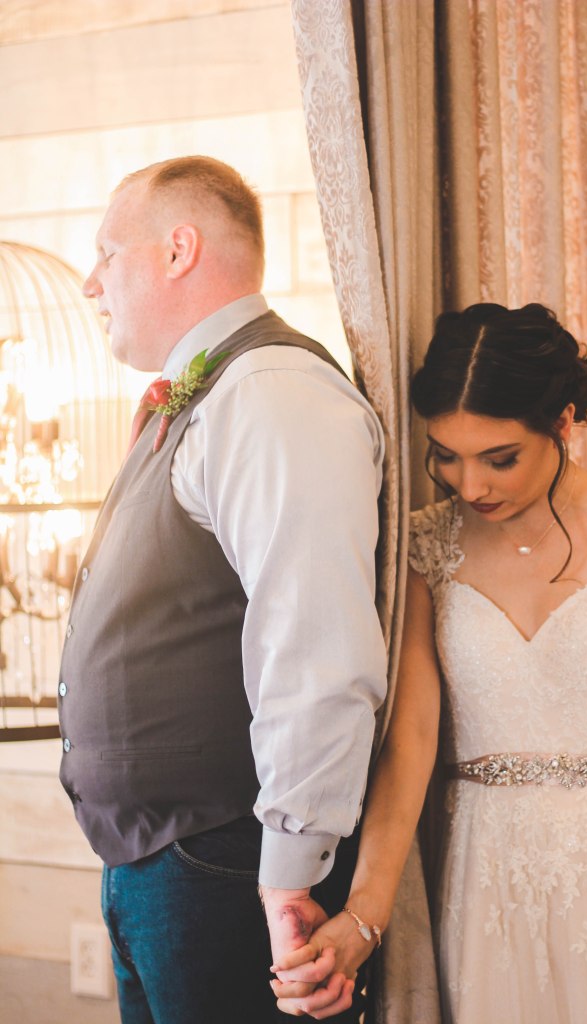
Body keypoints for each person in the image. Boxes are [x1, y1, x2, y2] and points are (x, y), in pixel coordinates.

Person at [271, 302, 587, 1022]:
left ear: (562, 422)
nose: (469, 486)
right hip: (491, 869)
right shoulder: (424, 549)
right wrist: (363, 917)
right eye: (445, 456)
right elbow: (409, 744)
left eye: (500, 458)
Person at [57, 155, 387, 1024]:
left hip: (227, 868)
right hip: (162, 865)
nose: (90, 283)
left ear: (179, 250)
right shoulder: (210, 394)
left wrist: (287, 878)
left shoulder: (272, 394)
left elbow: (315, 649)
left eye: (107, 254)